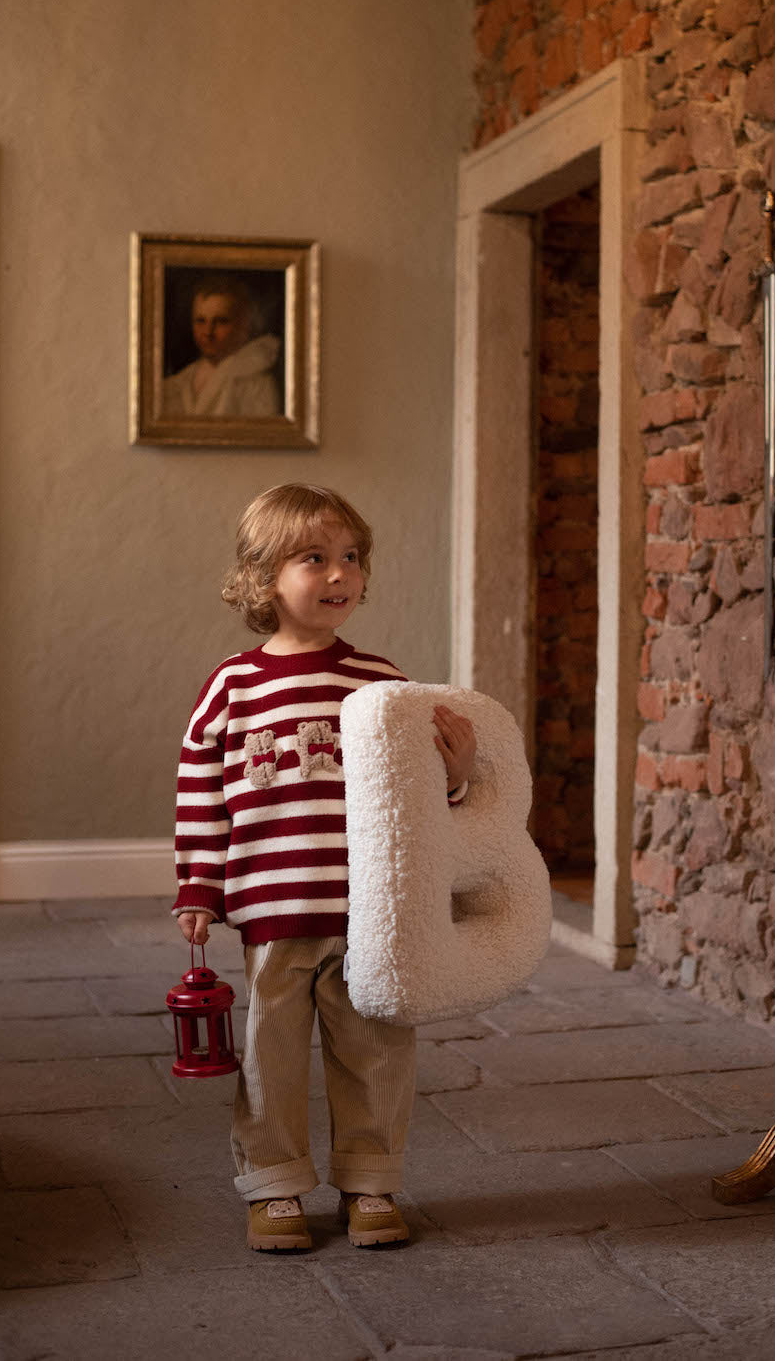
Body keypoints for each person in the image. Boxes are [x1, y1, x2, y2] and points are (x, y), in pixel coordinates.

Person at [172, 482, 476, 1253]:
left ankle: (370, 1181)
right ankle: (273, 1185)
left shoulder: (379, 681)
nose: (339, 573)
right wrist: (199, 885)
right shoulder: (232, 687)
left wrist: (455, 773)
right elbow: (201, 793)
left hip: (367, 911)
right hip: (273, 905)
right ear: (262, 577)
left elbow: (417, 792)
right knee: (269, 1054)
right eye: (315, 559)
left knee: (375, 1046)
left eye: (350, 558)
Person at [162, 276, 282, 418]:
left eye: (220, 321)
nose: (208, 332)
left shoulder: (257, 382)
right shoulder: (179, 382)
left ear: (243, 325)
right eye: (200, 321)